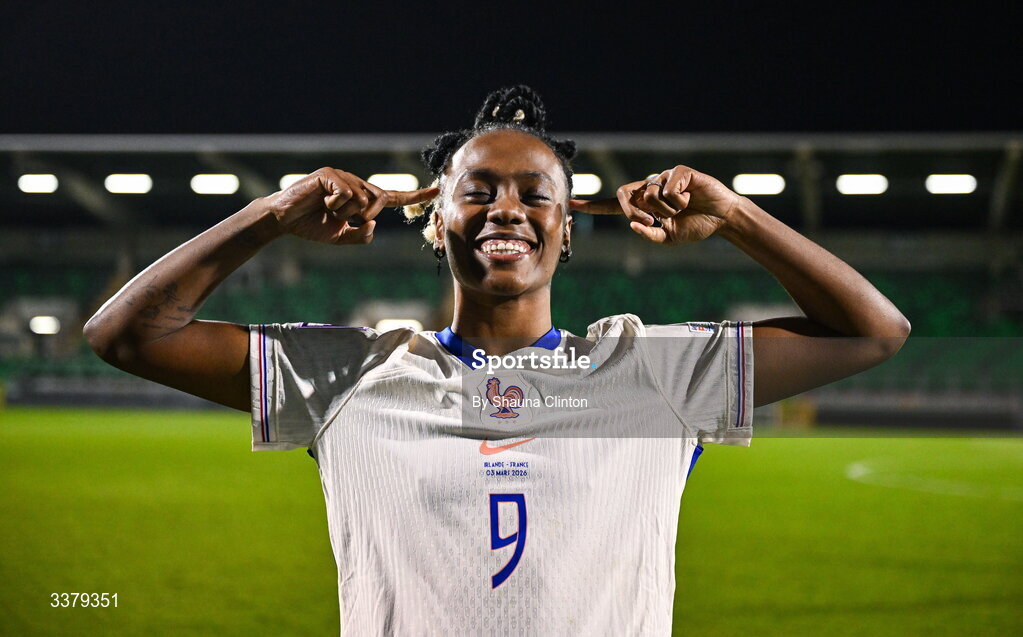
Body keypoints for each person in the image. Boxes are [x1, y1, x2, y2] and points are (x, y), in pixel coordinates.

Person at [84, 85, 910, 635]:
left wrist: (733, 215)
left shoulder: (653, 370)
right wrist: (271, 212)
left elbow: (871, 331)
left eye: (534, 191)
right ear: (435, 221)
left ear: (568, 225)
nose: (503, 208)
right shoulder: (349, 373)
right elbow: (127, 335)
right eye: (476, 189)